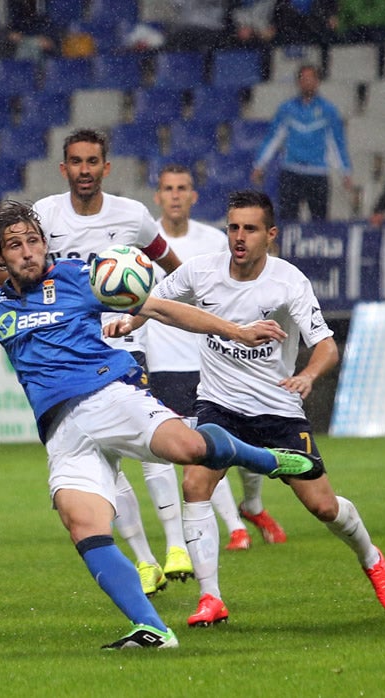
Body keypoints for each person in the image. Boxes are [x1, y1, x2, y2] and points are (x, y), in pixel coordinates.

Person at [0, 199, 319, 649]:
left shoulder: (80, 277)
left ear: (45, 243)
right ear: (0, 258)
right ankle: (152, 627)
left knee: (190, 449)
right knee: (81, 523)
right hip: (62, 431)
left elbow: (160, 308)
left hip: (110, 395)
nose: (28, 252)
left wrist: (236, 329)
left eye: (33, 240)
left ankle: (269, 459)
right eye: (15, 245)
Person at [110, 189, 385, 627]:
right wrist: (130, 319)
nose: (239, 237)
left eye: (249, 229)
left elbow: (325, 345)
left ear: (271, 235)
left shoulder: (288, 282)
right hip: (218, 406)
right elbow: (157, 302)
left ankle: (371, 555)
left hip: (277, 411)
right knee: (195, 483)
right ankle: (211, 598)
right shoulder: (202, 271)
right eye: (233, 227)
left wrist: (307, 375)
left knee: (323, 507)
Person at [32, 128, 192, 597]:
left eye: (93, 161)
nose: (84, 170)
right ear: (64, 169)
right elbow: (14, 269)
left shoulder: (132, 216)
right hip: (71, 352)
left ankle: (177, 545)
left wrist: (145, 305)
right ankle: (144, 560)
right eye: (76, 162)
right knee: (108, 458)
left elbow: (173, 268)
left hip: (124, 344)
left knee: (153, 432)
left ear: (107, 167)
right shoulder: (44, 214)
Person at [145, 164, 284, 552]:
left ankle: (252, 504)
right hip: (168, 364)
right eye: (168, 188)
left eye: (182, 188)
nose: (175, 195)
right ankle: (232, 525)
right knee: (204, 448)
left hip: (220, 358)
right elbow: (141, 303)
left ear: (194, 196)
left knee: (245, 437)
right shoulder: (144, 242)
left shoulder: (215, 241)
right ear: (158, 197)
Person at [251, 64, 353, 222]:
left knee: (319, 223)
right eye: (303, 79)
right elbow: (272, 139)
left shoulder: (328, 110)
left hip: (317, 173)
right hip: (291, 172)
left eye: (311, 79)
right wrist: (259, 165)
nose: (307, 82)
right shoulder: (287, 109)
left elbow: (337, 142)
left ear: (318, 81)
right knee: (287, 221)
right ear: (298, 82)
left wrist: (344, 171)